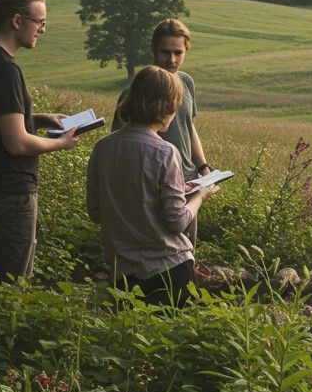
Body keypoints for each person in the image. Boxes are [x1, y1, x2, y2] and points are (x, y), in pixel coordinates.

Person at [0, 0, 83, 283]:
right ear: (17, 21)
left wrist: (41, 118)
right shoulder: (6, 69)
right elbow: (16, 142)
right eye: (39, 22)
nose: (42, 29)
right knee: (8, 285)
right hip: (9, 191)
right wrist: (62, 144)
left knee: (0, 276)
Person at [88, 66, 221, 306]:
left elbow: (96, 212)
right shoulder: (165, 152)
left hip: (123, 271)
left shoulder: (102, 147)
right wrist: (200, 195)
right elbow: (177, 221)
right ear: (167, 107)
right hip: (169, 270)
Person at [109, 18, 212, 245]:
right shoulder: (134, 92)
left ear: (186, 50)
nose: (172, 59)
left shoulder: (186, 83)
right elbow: (119, 144)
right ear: (154, 49)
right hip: (151, 186)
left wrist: (203, 166)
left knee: (186, 249)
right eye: (165, 52)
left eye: (178, 52)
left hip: (189, 182)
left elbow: (188, 125)